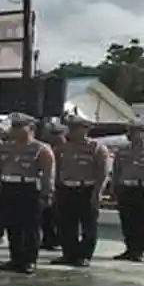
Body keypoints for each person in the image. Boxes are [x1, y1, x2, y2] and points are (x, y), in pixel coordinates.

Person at [0, 113, 55, 274]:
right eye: (14, 126)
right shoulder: (6, 147)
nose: (15, 130)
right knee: (12, 226)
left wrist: (47, 193)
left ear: (31, 128)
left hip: (28, 188)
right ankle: (15, 258)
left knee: (30, 227)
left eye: (20, 126)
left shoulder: (41, 149)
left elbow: (48, 173)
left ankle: (29, 260)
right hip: (8, 187)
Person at [51, 114, 110, 267]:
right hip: (66, 188)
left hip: (86, 189)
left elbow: (102, 173)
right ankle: (69, 253)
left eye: (77, 128)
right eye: (71, 128)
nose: (72, 131)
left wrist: (97, 192)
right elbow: (56, 171)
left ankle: (84, 255)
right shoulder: (61, 149)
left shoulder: (96, 148)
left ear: (86, 129)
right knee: (66, 224)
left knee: (88, 225)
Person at [111, 119, 144, 262]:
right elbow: (116, 171)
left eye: (137, 132)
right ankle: (130, 249)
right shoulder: (122, 151)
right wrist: (115, 188)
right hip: (126, 189)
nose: (133, 135)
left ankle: (142, 250)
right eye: (131, 132)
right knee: (127, 220)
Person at [39, 120, 67, 251]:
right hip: (51, 186)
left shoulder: (68, 149)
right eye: (53, 134)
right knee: (47, 214)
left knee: (61, 216)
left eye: (58, 134)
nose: (55, 137)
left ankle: (60, 239)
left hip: (64, 186)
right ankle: (49, 239)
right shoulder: (48, 149)